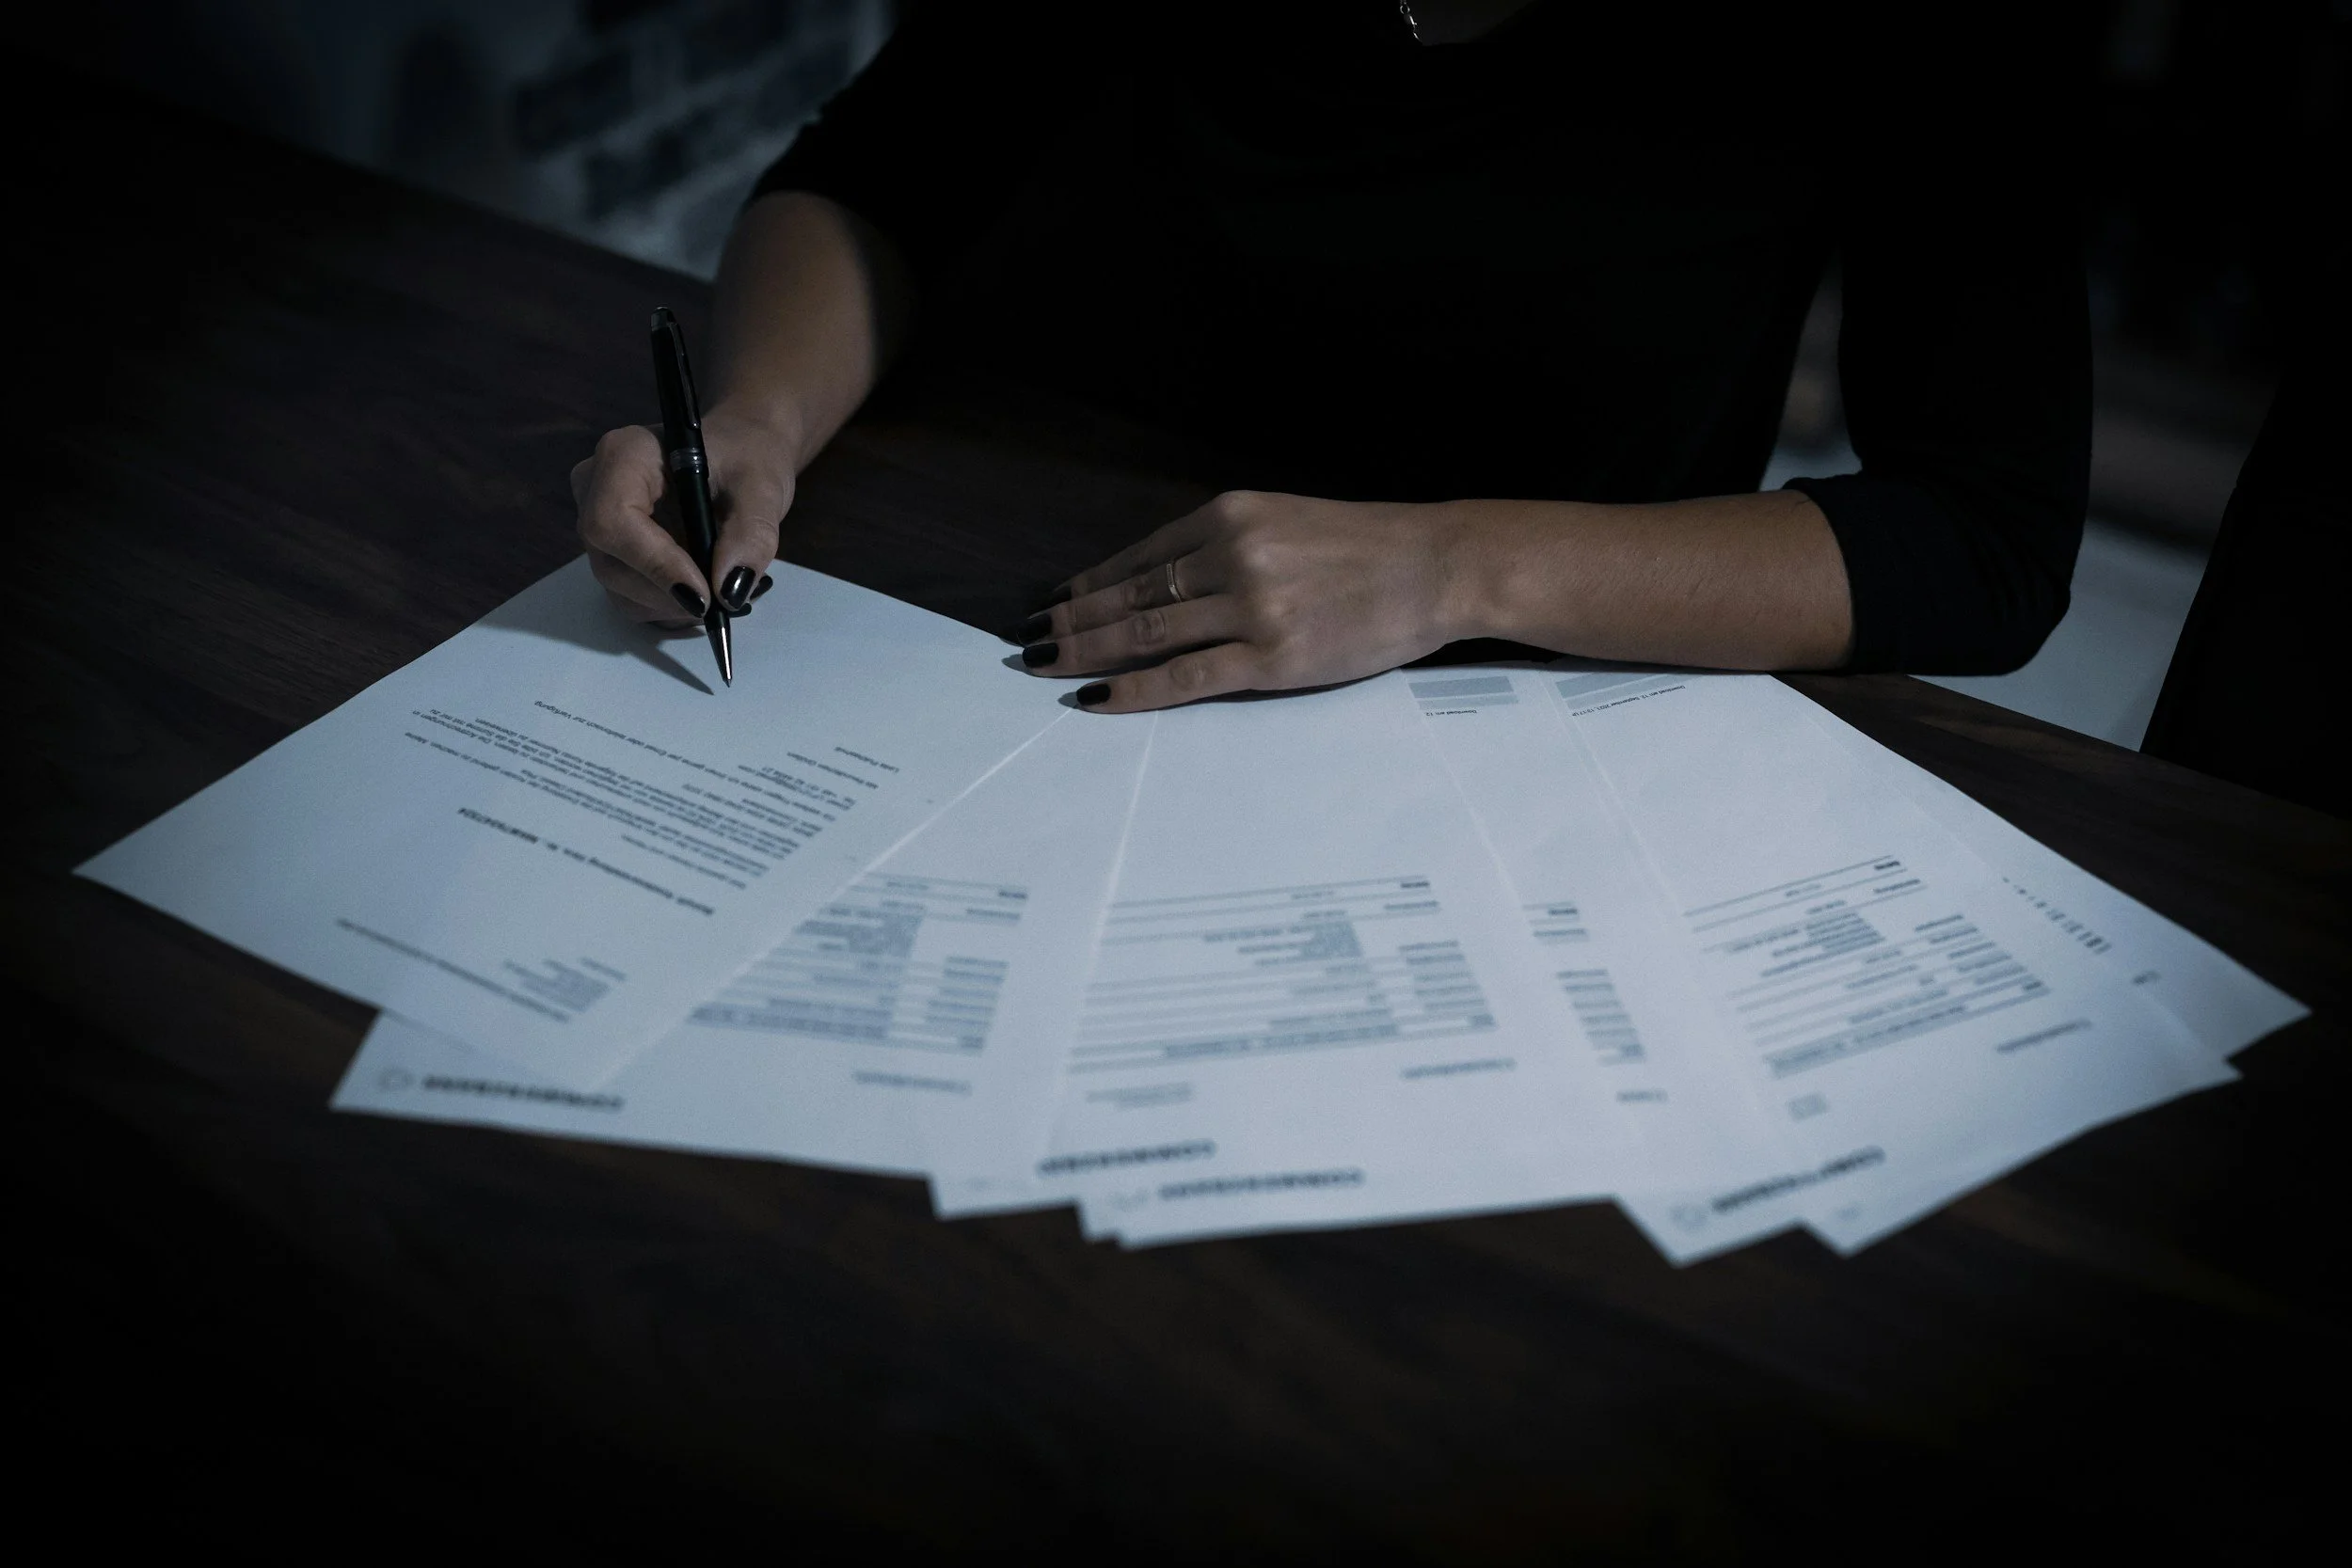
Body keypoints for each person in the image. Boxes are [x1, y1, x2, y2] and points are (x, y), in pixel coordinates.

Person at [573, 1, 2090, 713]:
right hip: (991, 611)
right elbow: (882, 171)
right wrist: (757, 418)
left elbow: (1986, 535)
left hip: (1524, 708)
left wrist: (1453, 568)